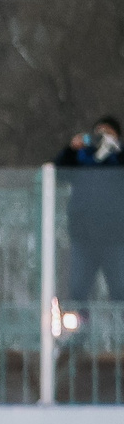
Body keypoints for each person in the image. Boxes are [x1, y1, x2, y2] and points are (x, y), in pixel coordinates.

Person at [56, 114, 124, 304]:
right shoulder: (83, 157)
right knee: (78, 291)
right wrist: (71, 149)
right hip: (84, 236)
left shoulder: (118, 158)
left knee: (120, 291)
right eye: (98, 133)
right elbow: (60, 172)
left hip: (116, 237)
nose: (102, 137)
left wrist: (115, 150)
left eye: (108, 133)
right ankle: (80, 330)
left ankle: (118, 332)